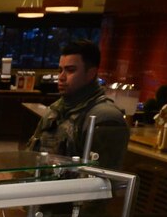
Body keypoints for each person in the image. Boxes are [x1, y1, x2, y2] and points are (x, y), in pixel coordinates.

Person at [25, 40, 129, 173]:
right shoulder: (55, 110)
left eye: (70, 70)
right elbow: (30, 158)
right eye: (60, 70)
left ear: (91, 74)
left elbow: (102, 183)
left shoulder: (105, 118)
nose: (61, 77)